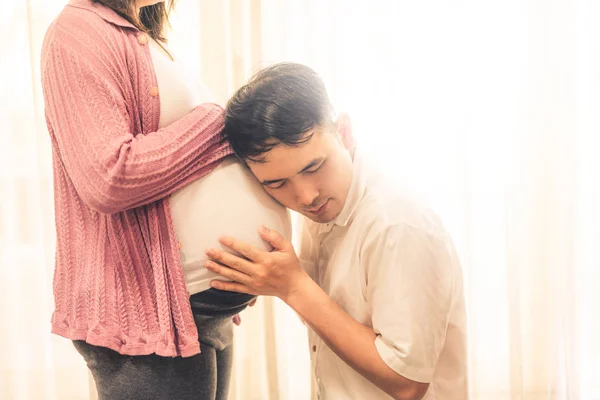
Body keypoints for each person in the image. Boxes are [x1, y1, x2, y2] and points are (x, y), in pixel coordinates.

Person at [41, 1, 290, 399]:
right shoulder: (79, 31)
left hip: (193, 309)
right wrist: (214, 120)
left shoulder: (139, 35)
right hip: (148, 314)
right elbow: (109, 178)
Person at [204, 63, 468, 400]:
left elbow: (407, 382)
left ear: (344, 132)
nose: (305, 196)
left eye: (314, 167)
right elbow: (334, 320)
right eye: (277, 183)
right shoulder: (325, 207)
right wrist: (265, 281)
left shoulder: (397, 224)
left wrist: (294, 287)